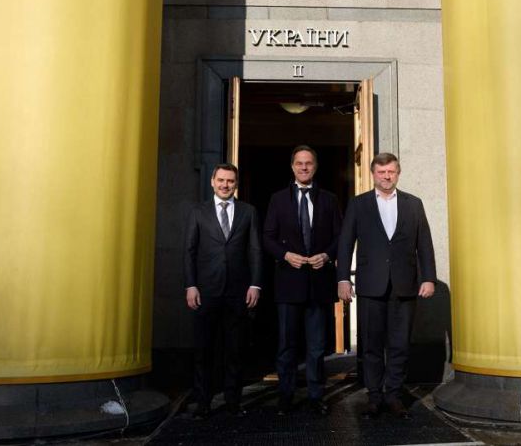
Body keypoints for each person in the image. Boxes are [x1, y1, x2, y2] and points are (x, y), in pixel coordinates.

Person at [337, 152, 436, 419]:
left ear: (398, 173)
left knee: (400, 344)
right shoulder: (358, 204)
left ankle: (393, 395)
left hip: (405, 285)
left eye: (391, 171)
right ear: (373, 174)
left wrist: (428, 277)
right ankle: (374, 396)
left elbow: (424, 243)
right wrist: (343, 278)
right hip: (371, 285)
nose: (386, 176)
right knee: (371, 344)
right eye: (381, 172)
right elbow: (345, 243)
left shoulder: (413, 204)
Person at [263, 145, 342, 416]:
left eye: (308, 163)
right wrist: (286, 255)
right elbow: (267, 237)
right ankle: (285, 397)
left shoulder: (330, 199)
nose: (304, 167)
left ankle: (316, 396)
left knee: (317, 347)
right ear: (292, 167)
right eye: (299, 163)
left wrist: (327, 255)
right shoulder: (278, 200)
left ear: (315, 167)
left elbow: (340, 236)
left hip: (319, 283)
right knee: (286, 345)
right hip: (288, 282)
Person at [184, 163, 262, 419]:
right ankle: (203, 403)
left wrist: (255, 284)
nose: (225, 185)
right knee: (204, 350)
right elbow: (189, 251)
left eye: (230, 181)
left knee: (235, 350)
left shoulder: (248, 212)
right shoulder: (198, 212)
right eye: (221, 180)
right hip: (205, 291)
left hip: (238, 292)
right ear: (212, 182)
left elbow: (255, 250)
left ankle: (233, 402)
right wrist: (191, 285)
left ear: (236, 183)